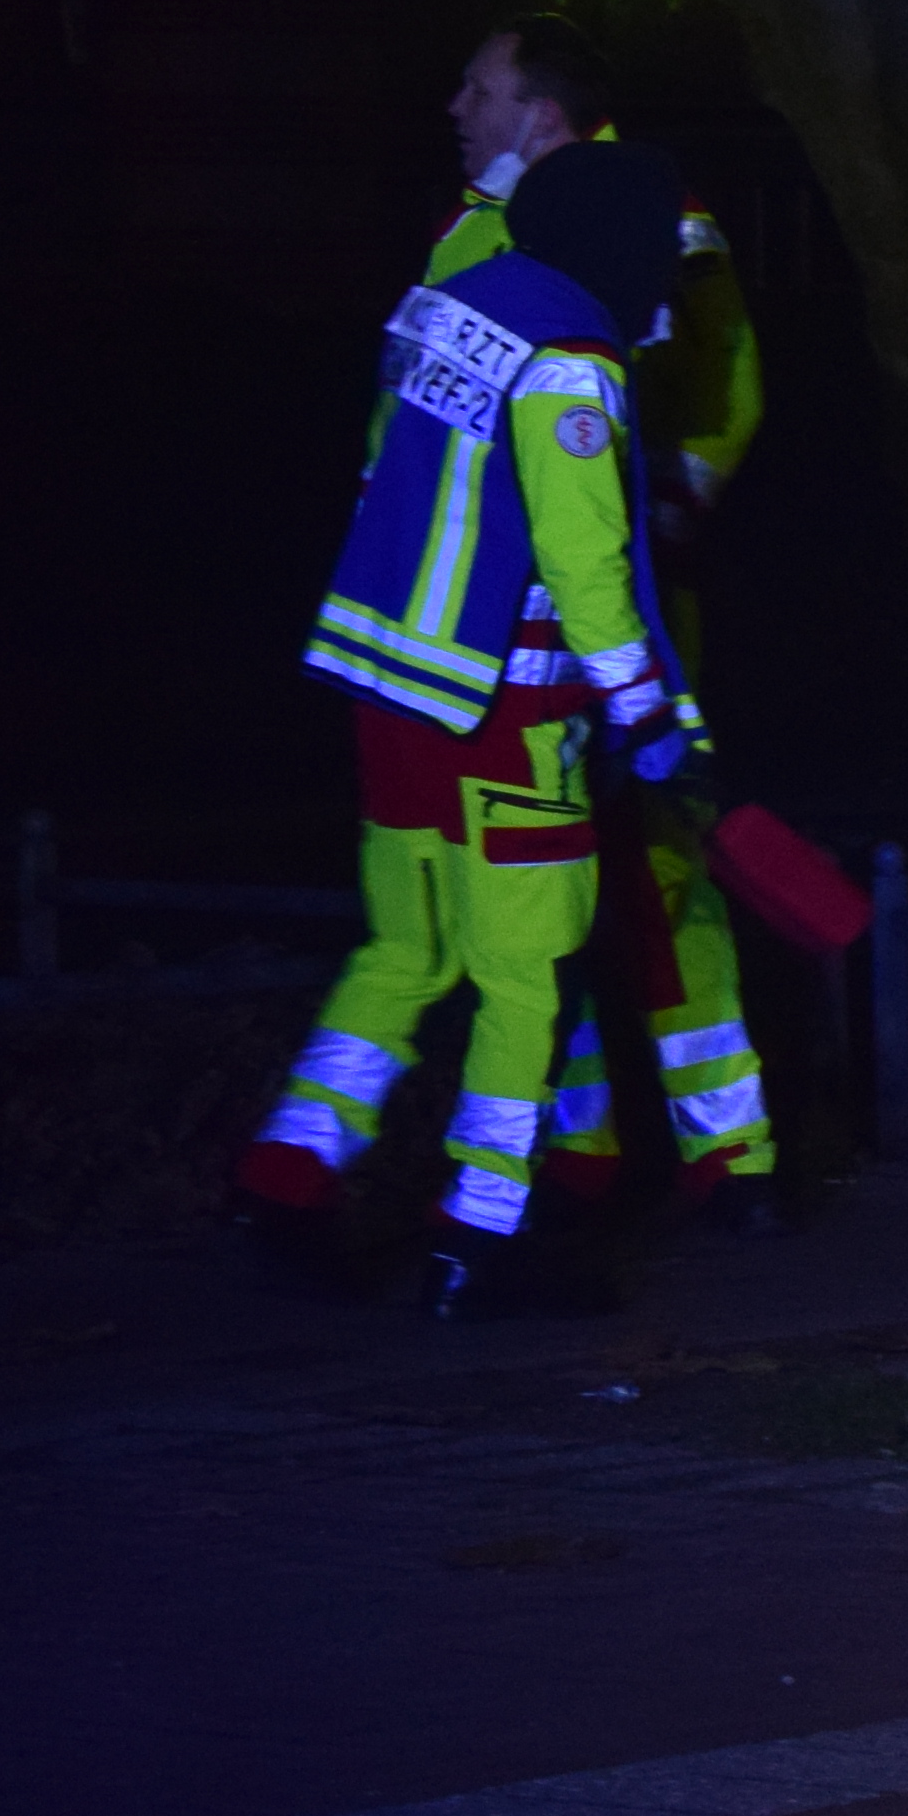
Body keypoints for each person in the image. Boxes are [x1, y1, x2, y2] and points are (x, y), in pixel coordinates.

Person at [238, 141, 705, 1315]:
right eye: (661, 266)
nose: (666, 293)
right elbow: (585, 564)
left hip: (388, 692)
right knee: (527, 977)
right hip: (508, 711)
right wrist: (650, 716)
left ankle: (287, 1175)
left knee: (405, 953)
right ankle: (482, 1236)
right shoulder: (572, 361)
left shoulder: (450, 310)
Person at [430, 20, 787, 1236]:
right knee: (534, 891)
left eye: (479, 88)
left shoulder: (654, 213)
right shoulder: (469, 228)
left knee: (664, 874)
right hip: (495, 638)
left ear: (539, 113)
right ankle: (574, 1153)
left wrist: (671, 502)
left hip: (621, 610)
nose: (456, 106)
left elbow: (721, 378)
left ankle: (729, 1154)